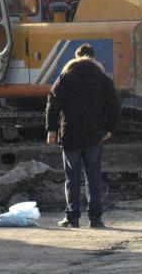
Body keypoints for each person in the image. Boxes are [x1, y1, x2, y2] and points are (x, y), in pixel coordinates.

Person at [45, 43, 121, 229]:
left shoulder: (65, 77)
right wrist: (110, 128)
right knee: (93, 177)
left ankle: (72, 218)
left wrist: (51, 130)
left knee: (72, 177)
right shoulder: (102, 78)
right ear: (93, 58)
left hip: (70, 133)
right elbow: (114, 105)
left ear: (76, 57)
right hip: (94, 134)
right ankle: (95, 219)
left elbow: (52, 103)